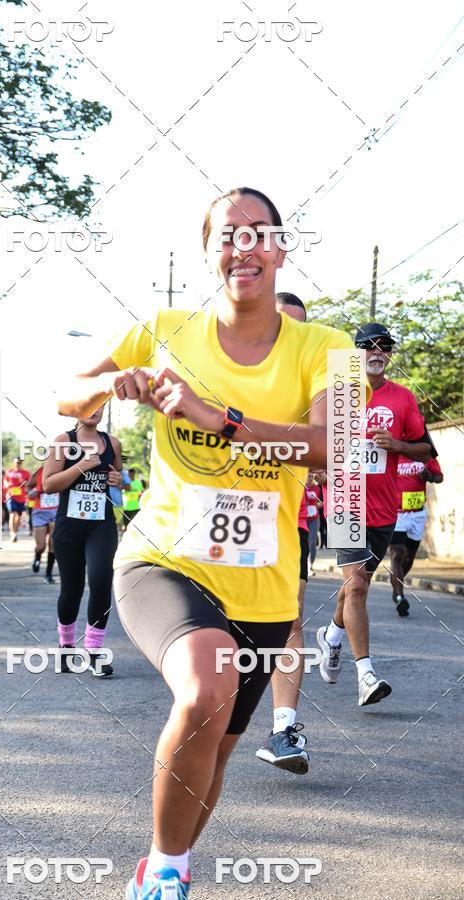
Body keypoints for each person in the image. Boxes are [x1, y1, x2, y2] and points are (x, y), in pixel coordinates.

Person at [55, 187, 354, 899]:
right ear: (209, 251)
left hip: (264, 584)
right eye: (227, 234)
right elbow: (69, 392)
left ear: (281, 248)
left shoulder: (328, 348)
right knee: (206, 685)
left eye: (259, 233)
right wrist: (104, 392)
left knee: (215, 747)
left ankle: (173, 861)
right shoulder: (163, 329)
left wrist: (217, 417)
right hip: (165, 558)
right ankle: (160, 876)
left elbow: (334, 445)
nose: (242, 246)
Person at [317, 322, 435, 707]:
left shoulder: (402, 398)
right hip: (345, 503)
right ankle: (366, 674)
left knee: (357, 585)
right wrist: (316, 465)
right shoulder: (339, 394)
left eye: (384, 346)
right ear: (356, 353)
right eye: (368, 346)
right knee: (357, 588)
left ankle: (332, 636)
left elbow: (426, 450)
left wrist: (397, 444)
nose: (377, 352)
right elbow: (312, 438)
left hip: (385, 509)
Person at [256, 290, 311, 774]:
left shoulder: (318, 388)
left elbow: (338, 454)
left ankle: (283, 730)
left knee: (289, 623)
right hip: (223, 519)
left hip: (290, 524)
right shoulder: (226, 375)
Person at [43, 408, 123, 678]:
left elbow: (117, 476)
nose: (95, 411)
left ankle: (93, 650)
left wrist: (117, 480)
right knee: (72, 590)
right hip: (69, 526)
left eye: (101, 405)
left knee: (100, 582)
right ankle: (66, 645)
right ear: (77, 410)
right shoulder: (64, 441)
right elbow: (48, 484)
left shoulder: (112, 443)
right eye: (90, 405)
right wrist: (81, 466)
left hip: (101, 525)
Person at [388, 454, 443, 615]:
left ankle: (396, 583)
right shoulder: (393, 454)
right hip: (397, 514)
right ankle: (400, 597)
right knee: (397, 554)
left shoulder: (424, 453)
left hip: (417, 514)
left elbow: (440, 477)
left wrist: (430, 477)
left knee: (409, 557)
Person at [27, 466, 58, 584]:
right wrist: (31, 492)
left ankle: (48, 574)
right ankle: (37, 557)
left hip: (56, 511)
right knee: (41, 546)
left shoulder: (63, 469)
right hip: (40, 511)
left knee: (53, 544)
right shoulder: (39, 471)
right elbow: (29, 486)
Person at [3, 458, 31, 542]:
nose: (17, 464)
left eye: (19, 463)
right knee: (13, 514)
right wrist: (7, 484)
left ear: (21, 463)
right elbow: (5, 480)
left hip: (21, 497)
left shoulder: (26, 473)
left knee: (18, 517)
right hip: (11, 496)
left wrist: (23, 482)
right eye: (16, 462)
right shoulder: (9, 471)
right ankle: (12, 533)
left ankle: (15, 532)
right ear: (14, 463)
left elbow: (29, 484)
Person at [305, 472, 323, 576]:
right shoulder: (300, 486)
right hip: (303, 518)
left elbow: (322, 503)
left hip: (314, 518)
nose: (310, 479)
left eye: (312, 477)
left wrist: (316, 504)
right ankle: (302, 563)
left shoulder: (317, 489)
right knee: (303, 542)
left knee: (312, 541)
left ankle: (310, 565)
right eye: (308, 476)